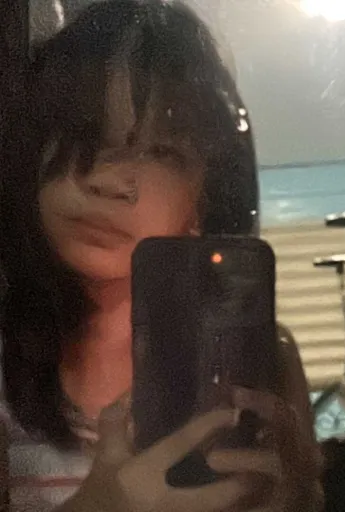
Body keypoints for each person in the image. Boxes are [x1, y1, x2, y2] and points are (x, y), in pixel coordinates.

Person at [0, 1, 323, 511]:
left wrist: (297, 498)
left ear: (205, 196)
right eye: (83, 135)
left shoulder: (261, 357)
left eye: (161, 153)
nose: (111, 183)